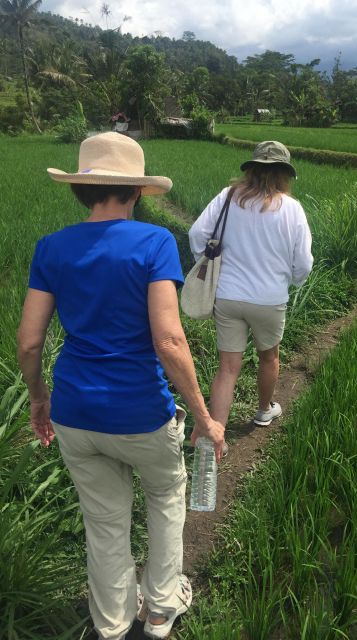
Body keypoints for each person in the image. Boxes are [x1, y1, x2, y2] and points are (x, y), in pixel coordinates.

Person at [16, 132, 225, 640]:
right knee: (166, 500)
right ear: (134, 191)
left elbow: (28, 342)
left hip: (74, 411)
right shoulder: (153, 243)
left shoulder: (52, 248)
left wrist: (39, 398)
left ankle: (110, 626)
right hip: (140, 413)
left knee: (104, 522)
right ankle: (159, 611)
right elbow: (170, 341)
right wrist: (204, 418)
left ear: (82, 191)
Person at [188, 141, 313, 434]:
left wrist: (208, 266)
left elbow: (196, 234)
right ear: (284, 173)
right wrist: (291, 280)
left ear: (251, 169)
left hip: (228, 295)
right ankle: (264, 411)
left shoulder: (228, 196)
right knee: (269, 356)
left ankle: (216, 433)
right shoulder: (292, 209)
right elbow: (304, 262)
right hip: (269, 299)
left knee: (228, 368)